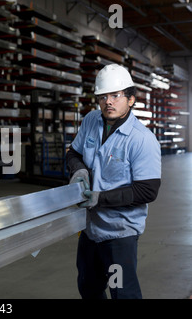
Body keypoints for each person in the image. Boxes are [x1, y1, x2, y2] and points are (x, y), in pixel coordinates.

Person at [66, 63, 162, 299]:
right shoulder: (91, 121)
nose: (108, 101)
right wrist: (78, 170)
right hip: (89, 229)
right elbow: (74, 153)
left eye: (116, 95)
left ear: (130, 99)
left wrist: (99, 198)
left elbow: (147, 191)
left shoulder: (142, 140)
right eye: (103, 96)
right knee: (88, 287)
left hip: (120, 233)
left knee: (123, 293)